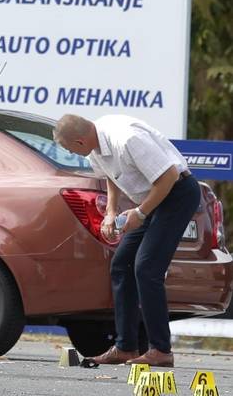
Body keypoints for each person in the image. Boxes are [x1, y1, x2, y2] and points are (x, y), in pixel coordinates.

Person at [53, 114, 199, 368]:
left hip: (177, 195)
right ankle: (126, 347)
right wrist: (111, 212)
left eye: (69, 149)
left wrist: (140, 213)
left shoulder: (127, 139)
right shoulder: (94, 142)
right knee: (121, 265)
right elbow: (111, 175)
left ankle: (161, 350)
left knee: (147, 268)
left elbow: (169, 177)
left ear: (79, 141)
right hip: (153, 200)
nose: (74, 155)